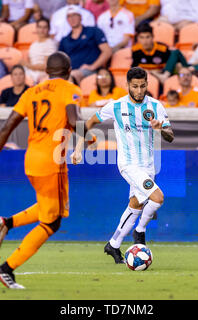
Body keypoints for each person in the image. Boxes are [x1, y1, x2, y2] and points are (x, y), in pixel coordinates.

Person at [0, 51, 83, 289]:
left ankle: (6, 222)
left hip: (32, 161)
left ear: (47, 72)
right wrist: (90, 137)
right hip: (52, 163)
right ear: (68, 71)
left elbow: (6, 127)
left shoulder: (31, 91)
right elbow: (75, 120)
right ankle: (6, 268)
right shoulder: (68, 89)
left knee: (50, 208)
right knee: (53, 222)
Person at [71, 67, 174, 264]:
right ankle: (140, 231)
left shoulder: (156, 106)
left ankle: (114, 244)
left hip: (148, 166)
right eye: (135, 86)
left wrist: (161, 128)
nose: (139, 90)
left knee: (135, 204)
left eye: (143, 86)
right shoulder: (116, 106)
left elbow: (170, 136)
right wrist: (77, 148)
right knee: (158, 198)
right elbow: (88, 123)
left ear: (147, 84)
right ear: (127, 85)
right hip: (128, 164)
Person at [59, 5, 112, 84]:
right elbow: (61, 61)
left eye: (74, 15)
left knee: (72, 76)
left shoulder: (93, 31)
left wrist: (92, 66)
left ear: (80, 17)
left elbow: (107, 51)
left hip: (91, 70)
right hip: (71, 71)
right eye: (69, 16)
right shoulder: (64, 39)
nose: (72, 18)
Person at [22, 17, 58, 84]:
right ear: (36, 29)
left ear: (49, 29)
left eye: (45, 27)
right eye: (40, 27)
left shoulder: (50, 44)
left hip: (41, 75)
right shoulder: (34, 44)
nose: (42, 30)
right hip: (31, 72)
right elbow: (29, 60)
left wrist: (27, 65)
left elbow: (46, 66)